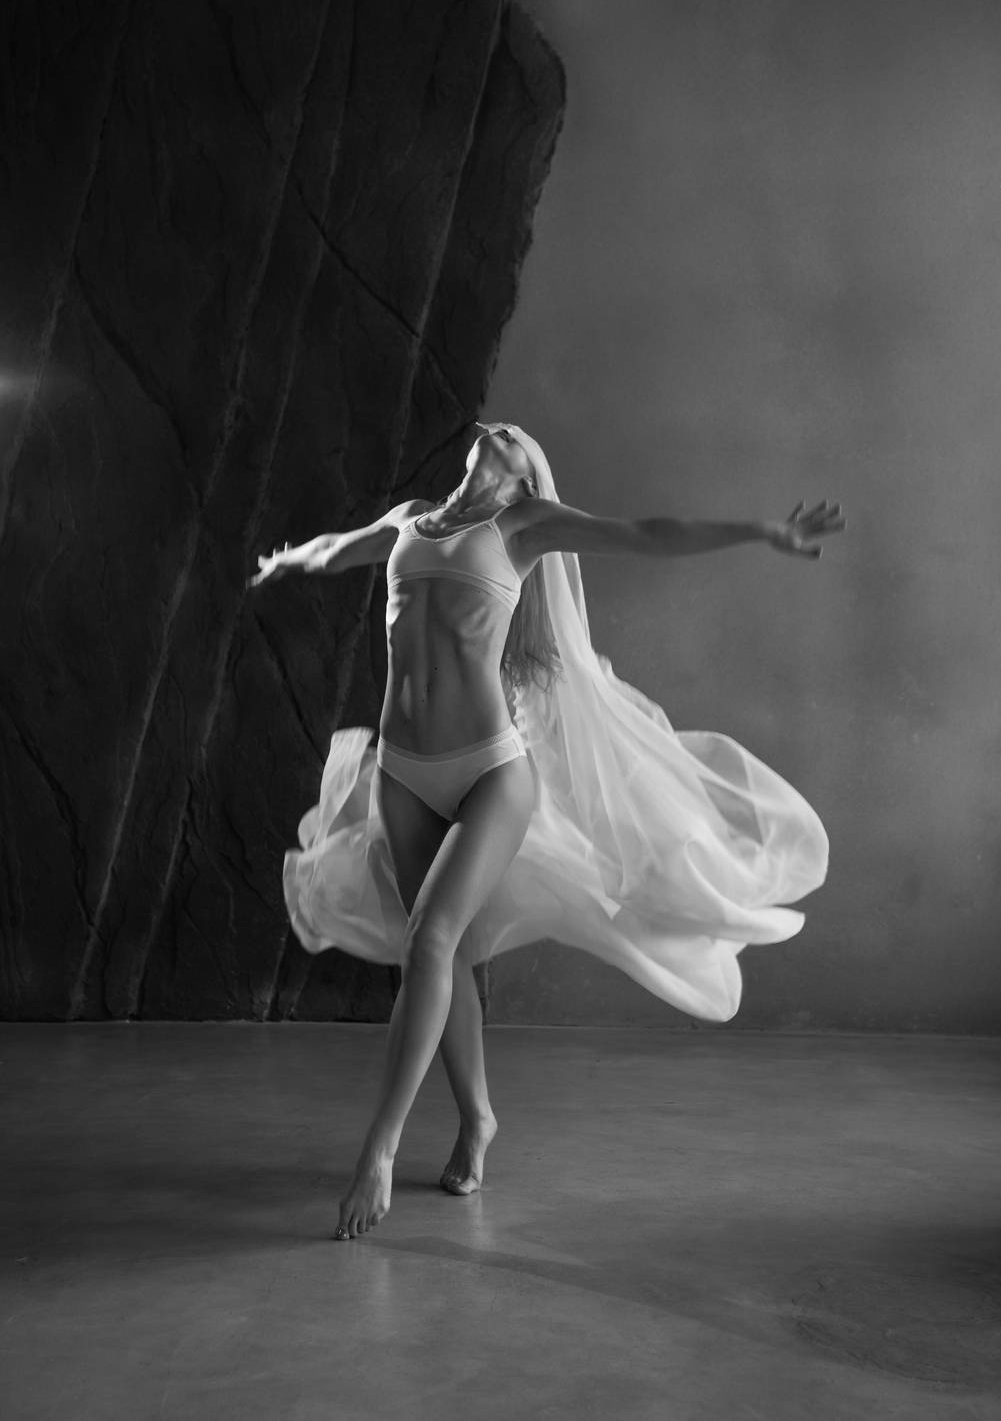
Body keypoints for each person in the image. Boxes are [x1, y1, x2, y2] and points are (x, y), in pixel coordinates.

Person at [248, 422, 845, 1241]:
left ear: (526, 475)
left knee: (429, 940)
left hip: (490, 770)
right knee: (443, 954)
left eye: (515, 437)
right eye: (493, 428)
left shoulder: (523, 526)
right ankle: (477, 1120)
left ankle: (378, 1150)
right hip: (403, 771)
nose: (500, 430)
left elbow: (645, 534)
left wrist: (761, 530)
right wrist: (288, 560)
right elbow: (336, 549)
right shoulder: (411, 519)